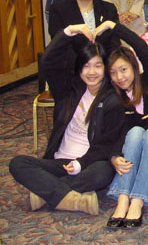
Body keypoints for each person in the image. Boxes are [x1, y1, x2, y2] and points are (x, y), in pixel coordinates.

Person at [9, 24, 125, 215]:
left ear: (106, 68)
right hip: (60, 161)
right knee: (18, 163)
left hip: (88, 164)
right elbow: (48, 62)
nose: (92, 72)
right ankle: (74, 199)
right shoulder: (68, 90)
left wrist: (80, 163)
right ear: (79, 68)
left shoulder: (112, 101)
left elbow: (105, 145)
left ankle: (45, 192)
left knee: (103, 172)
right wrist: (68, 31)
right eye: (86, 66)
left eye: (98, 66)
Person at [96, 20, 148, 228]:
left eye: (123, 69)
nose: (119, 77)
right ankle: (123, 198)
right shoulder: (116, 98)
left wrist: (114, 26)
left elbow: (144, 51)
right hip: (136, 163)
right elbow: (117, 133)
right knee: (135, 132)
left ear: (134, 66)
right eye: (113, 73)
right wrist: (114, 156)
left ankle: (139, 200)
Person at [48, 0, 120, 70]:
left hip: (105, 72)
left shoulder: (109, 9)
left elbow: (114, 46)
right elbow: (61, 48)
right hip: (72, 73)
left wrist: (103, 70)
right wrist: (85, 71)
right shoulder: (58, 10)